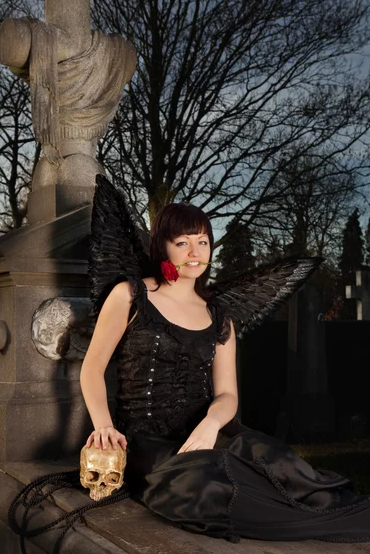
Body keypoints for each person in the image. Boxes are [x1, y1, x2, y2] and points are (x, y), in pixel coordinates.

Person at [80, 198, 370, 544]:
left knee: (278, 459)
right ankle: (301, 521)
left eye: (203, 241)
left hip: (207, 429)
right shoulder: (130, 295)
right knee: (209, 484)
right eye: (182, 242)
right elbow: (92, 369)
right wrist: (104, 426)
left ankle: (338, 514)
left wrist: (210, 425)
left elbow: (227, 394)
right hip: (147, 440)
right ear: (163, 245)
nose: (195, 252)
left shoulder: (220, 316)